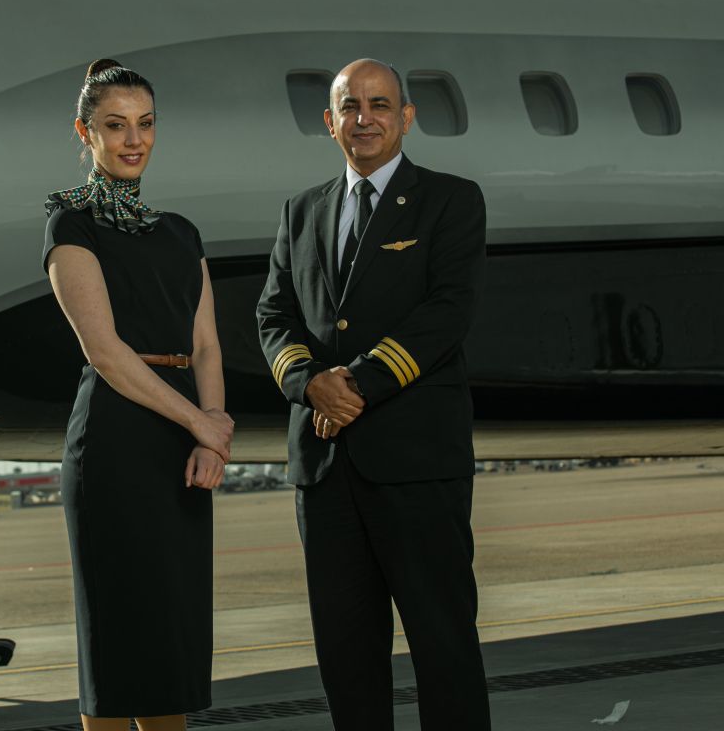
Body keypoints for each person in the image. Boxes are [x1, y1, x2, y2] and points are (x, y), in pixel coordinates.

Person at [255, 58, 492, 730]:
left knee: (444, 646)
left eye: (380, 105)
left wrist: (353, 386)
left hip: (416, 465)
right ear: (329, 123)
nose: (365, 118)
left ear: (406, 117)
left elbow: (447, 313)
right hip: (326, 474)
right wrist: (309, 383)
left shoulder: (451, 200)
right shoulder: (302, 211)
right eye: (350, 107)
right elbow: (273, 316)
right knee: (346, 656)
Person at [43, 58, 233, 731]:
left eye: (145, 124)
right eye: (115, 125)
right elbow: (105, 353)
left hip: (183, 444)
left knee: (169, 641)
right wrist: (201, 423)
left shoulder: (180, 231)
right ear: (85, 132)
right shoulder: (71, 226)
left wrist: (212, 430)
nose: (134, 140)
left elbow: (206, 346)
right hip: (117, 441)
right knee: (120, 643)